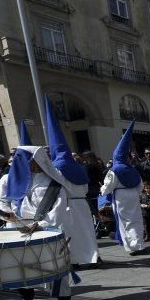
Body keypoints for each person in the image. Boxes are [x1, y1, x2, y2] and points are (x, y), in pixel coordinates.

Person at [4, 146, 82, 300]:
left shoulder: (55, 183)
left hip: (47, 230)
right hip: (19, 231)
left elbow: (58, 210)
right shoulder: (12, 182)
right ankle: (26, 297)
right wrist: (6, 214)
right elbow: (2, 202)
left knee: (56, 264)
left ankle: (64, 298)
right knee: (22, 267)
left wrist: (40, 225)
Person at [45, 95, 100, 267]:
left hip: (68, 205)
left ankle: (75, 259)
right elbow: (84, 186)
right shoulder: (79, 168)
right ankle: (92, 257)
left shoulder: (57, 169)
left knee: (72, 233)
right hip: (82, 203)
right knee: (87, 231)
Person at [101, 122, 145, 256]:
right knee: (136, 219)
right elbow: (140, 185)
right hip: (132, 195)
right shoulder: (132, 169)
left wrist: (103, 190)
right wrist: (135, 193)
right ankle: (139, 244)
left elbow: (108, 187)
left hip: (121, 197)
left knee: (125, 221)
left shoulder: (115, 169)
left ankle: (132, 247)